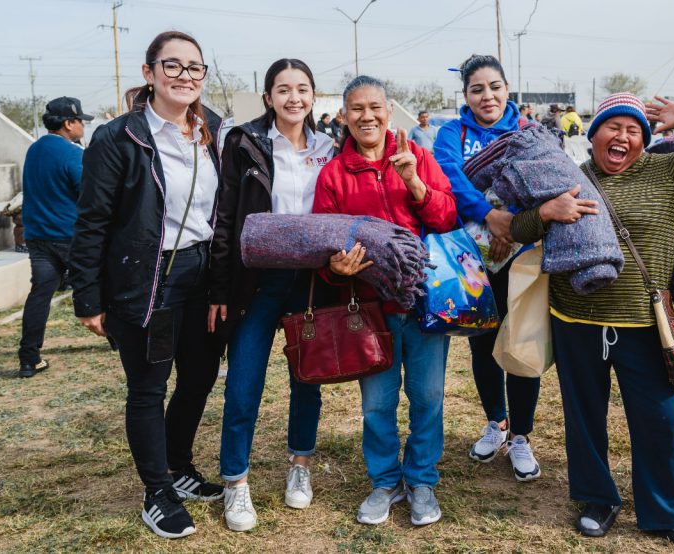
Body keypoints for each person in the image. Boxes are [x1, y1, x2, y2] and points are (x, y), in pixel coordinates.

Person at [511, 92, 674, 552]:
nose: (621, 137)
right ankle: (597, 498)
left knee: (658, 418)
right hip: (574, 319)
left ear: (644, 140)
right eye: (612, 127)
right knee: (583, 416)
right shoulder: (569, 179)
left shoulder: (673, 173)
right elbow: (518, 228)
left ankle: (670, 514)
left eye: (633, 130)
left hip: (643, 321)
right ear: (592, 134)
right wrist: (545, 212)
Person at [70, 31, 225, 539]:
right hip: (150, 277)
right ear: (149, 72)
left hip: (203, 272)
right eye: (173, 66)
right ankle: (156, 490)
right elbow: (92, 220)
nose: (184, 77)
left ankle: (178, 466)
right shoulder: (119, 137)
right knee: (149, 387)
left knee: (200, 377)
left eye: (194, 68)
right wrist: (88, 297)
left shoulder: (213, 130)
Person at [313, 75, 457, 527]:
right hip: (368, 309)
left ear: (389, 111)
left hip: (423, 302)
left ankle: (420, 479)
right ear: (344, 116)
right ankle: (384, 480)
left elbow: (447, 215)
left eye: (375, 107)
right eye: (356, 109)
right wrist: (334, 268)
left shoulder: (417, 157)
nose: (367, 116)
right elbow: (321, 243)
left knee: (428, 396)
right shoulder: (334, 174)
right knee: (377, 403)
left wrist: (414, 182)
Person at [208, 58, 336, 532]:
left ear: (313, 95)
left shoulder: (329, 146)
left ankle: (299, 466)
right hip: (258, 280)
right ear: (268, 97)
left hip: (312, 280)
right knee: (244, 384)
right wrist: (221, 285)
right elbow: (225, 217)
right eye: (283, 90)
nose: (294, 98)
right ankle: (236, 483)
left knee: (308, 380)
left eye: (303, 89)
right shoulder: (244, 144)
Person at [433, 55, 543, 482]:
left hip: (523, 254)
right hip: (471, 257)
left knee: (521, 343)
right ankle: (495, 422)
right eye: (477, 89)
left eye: (494, 86)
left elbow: (543, 179)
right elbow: (449, 178)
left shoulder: (527, 131)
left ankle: (521, 436)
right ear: (465, 95)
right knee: (482, 342)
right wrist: (486, 214)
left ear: (507, 88)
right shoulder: (451, 133)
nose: (487, 96)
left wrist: (511, 224)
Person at [17, 96, 90, 378]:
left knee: (40, 294)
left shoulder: (34, 150)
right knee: (97, 287)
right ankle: (117, 341)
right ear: (68, 124)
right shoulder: (72, 153)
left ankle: (28, 358)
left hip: (37, 236)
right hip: (69, 235)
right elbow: (89, 194)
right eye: (80, 121)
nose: (83, 126)